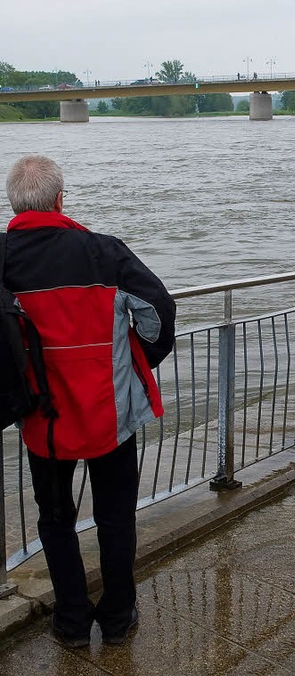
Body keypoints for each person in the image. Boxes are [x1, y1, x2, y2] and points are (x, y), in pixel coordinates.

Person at [2, 155, 176, 648]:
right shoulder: (104, 252)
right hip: (109, 415)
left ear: (15, 205)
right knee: (115, 518)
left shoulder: (3, 258)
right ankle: (118, 618)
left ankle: (72, 622)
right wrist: (138, 358)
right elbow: (159, 312)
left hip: (41, 418)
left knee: (55, 522)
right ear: (60, 199)